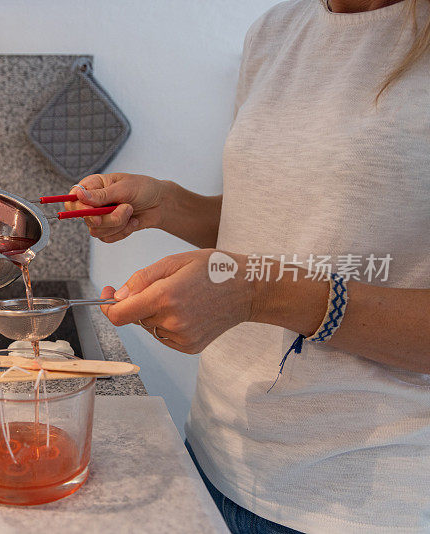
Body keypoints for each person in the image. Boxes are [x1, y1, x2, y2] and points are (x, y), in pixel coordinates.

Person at [64, 0, 430, 532]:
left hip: (361, 502)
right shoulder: (275, 32)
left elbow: (265, 278)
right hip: (217, 458)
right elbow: (273, 227)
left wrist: (259, 294)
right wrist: (166, 204)